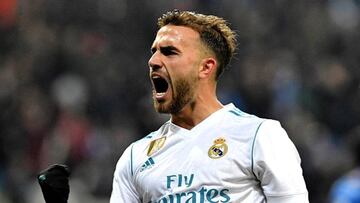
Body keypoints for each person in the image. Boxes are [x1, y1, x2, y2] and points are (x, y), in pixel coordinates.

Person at [110, 10, 308, 203]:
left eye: (169, 52)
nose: (153, 61)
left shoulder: (259, 136)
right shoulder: (136, 156)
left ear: (205, 67)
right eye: (154, 52)